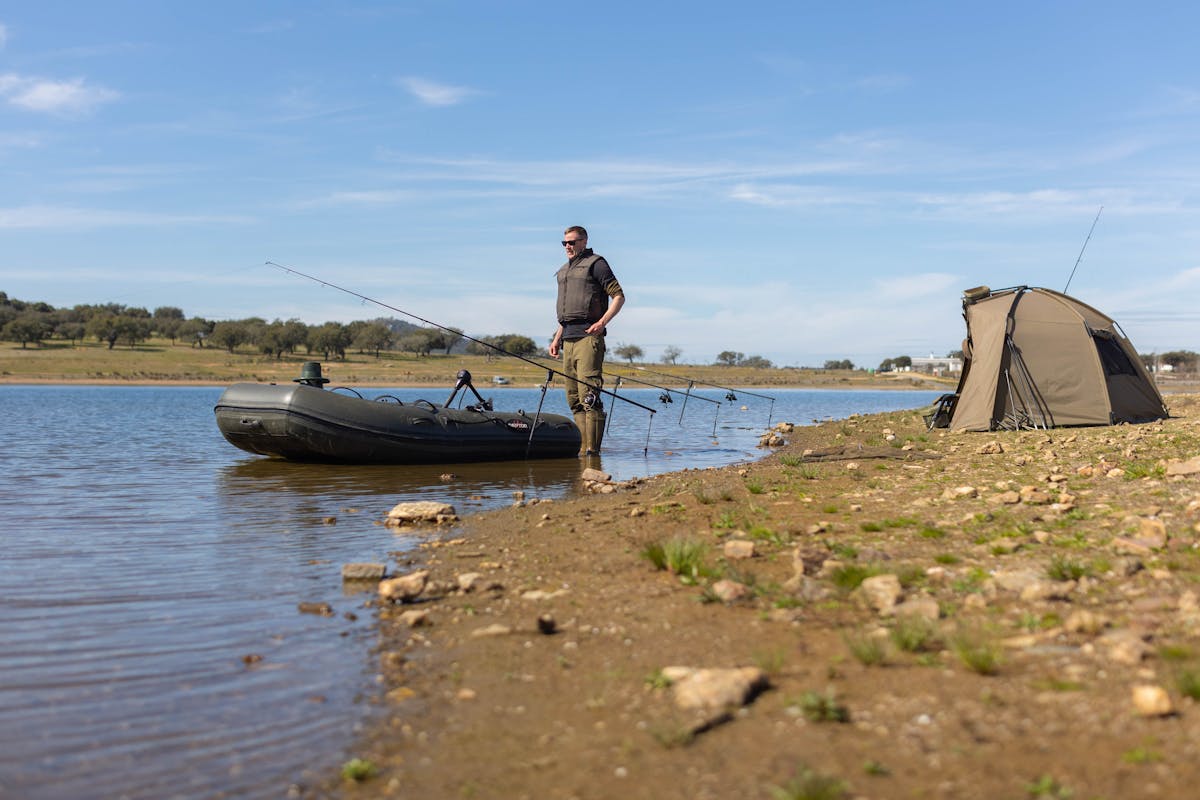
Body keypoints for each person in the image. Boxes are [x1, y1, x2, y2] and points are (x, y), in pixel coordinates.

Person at [548, 226, 625, 454]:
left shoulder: (596, 263)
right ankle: (583, 451)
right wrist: (556, 339)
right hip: (567, 339)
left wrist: (602, 322)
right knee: (573, 398)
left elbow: (619, 296)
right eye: (564, 243)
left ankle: (593, 452)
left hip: (588, 339)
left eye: (572, 242)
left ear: (584, 241)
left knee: (589, 397)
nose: (567, 246)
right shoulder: (564, 270)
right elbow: (567, 315)